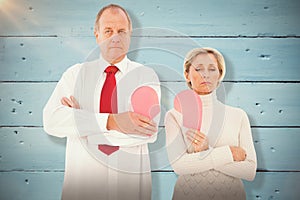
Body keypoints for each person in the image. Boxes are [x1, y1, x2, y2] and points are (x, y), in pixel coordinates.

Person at [43, 4, 160, 200]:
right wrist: (112, 121)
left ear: (130, 35)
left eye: (122, 31)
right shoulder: (75, 74)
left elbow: (146, 133)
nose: (115, 36)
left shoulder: (145, 76)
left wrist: (82, 125)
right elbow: (52, 121)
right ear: (96, 34)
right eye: (108, 30)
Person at [164, 47, 257, 200]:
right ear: (187, 74)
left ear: (220, 74)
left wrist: (206, 152)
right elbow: (180, 166)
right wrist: (229, 153)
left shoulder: (238, 115)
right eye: (198, 69)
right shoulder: (174, 116)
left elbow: (249, 170)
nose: (205, 74)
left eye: (212, 69)